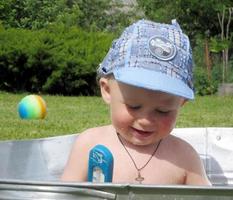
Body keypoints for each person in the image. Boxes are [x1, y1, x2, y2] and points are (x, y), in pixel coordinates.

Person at [61, 19, 211, 185]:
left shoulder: (184, 158)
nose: (146, 120)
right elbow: (65, 195)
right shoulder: (89, 145)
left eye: (163, 111)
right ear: (107, 90)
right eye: (133, 106)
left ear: (181, 103)